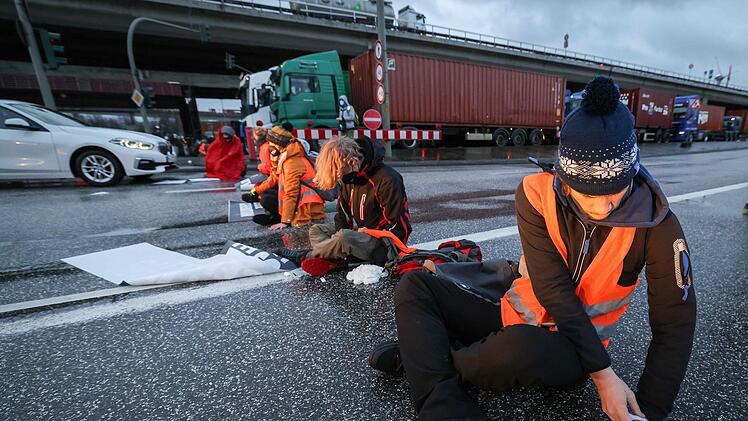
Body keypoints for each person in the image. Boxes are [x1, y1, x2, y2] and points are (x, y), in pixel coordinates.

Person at [369, 77, 696, 421]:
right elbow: (551, 288)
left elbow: (674, 325)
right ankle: (443, 403)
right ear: (565, 178)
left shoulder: (656, 224)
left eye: (615, 191)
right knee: (415, 285)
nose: (602, 206)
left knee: (516, 349)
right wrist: (606, 378)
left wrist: (649, 411)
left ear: (632, 172)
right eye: (587, 193)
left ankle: (422, 357)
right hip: (514, 313)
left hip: (573, 351)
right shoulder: (535, 194)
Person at [275, 135, 412, 276]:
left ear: (352, 161)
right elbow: (342, 216)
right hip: (362, 232)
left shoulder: (387, 179)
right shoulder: (350, 177)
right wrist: (338, 248)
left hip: (383, 243)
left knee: (343, 238)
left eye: (339, 173)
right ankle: (335, 259)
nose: (339, 178)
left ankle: (305, 256)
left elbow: (400, 226)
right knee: (317, 230)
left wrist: (381, 254)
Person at [243, 125, 325, 230]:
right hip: (301, 203)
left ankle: (279, 218)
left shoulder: (292, 162)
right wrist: (256, 191)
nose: (269, 146)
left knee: (266, 198)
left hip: (306, 210)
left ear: (279, 144)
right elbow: (274, 177)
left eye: (271, 143)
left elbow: (291, 193)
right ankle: (278, 217)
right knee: (265, 194)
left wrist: (285, 222)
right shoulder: (285, 156)